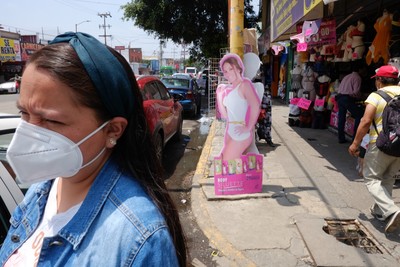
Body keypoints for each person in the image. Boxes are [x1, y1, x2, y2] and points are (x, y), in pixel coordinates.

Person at [0, 32, 186, 266]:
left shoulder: (138, 237)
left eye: (52, 121)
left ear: (112, 130)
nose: (31, 132)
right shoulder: (43, 188)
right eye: (24, 113)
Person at [348, 65, 400, 233]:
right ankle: (380, 211)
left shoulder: (376, 96)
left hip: (380, 143)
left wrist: (355, 144)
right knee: (388, 178)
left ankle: (392, 210)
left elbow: (365, 121)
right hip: (399, 145)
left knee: (371, 178)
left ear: (379, 80)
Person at [216, 53, 261, 161]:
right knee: (229, 165)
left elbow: (255, 106)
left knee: (226, 164)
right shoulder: (229, 89)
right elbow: (225, 115)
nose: (227, 74)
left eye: (230, 69)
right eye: (225, 71)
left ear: (238, 68)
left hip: (241, 133)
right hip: (230, 130)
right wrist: (219, 96)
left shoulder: (245, 84)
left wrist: (248, 127)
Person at [335, 63, 364, 143]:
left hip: (340, 97)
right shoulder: (357, 77)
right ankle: (355, 138)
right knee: (359, 114)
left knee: (341, 118)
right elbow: (356, 92)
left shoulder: (347, 76)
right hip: (347, 98)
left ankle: (341, 138)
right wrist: (360, 96)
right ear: (360, 69)